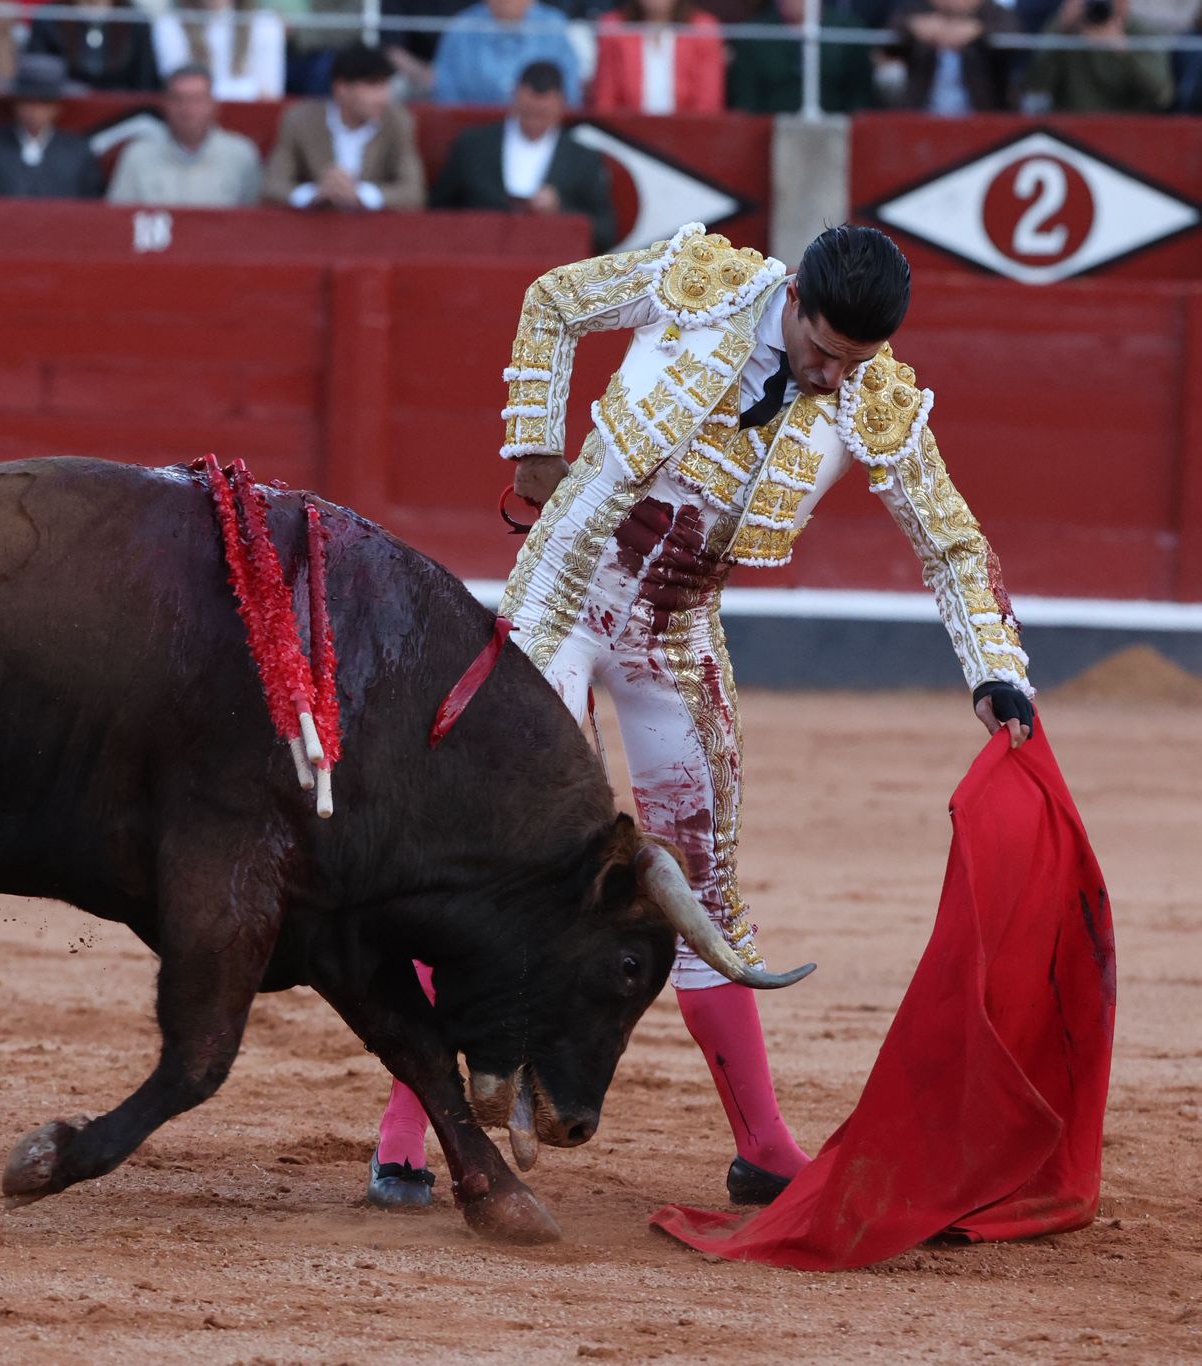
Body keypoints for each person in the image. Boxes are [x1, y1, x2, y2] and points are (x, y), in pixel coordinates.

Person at [363, 223, 1036, 1212]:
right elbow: (553, 301)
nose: (827, 378)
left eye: (850, 365)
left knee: (703, 891)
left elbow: (950, 545)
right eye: (819, 352)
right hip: (561, 592)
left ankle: (762, 1145)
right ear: (797, 296)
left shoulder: (874, 399)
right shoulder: (698, 282)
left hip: (673, 634)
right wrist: (535, 452)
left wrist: (994, 672)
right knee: (491, 857)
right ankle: (406, 1134)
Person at [430, 61, 615, 253]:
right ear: (514, 99)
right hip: (479, 257)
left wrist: (560, 210)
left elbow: (605, 233)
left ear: (560, 106)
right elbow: (438, 214)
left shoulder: (583, 159)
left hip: (551, 267)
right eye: (527, 112)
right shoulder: (473, 146)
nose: (533, 122)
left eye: (543, 114)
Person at [262, 43, 426, 211]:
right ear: (342, 89)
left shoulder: (398, 122)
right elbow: (272, 186)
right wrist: (315, 193)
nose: (383, 97)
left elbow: (413, 193)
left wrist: (360, 194)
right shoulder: (300, 120)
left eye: (385, 85)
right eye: (373, 85)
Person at [107, 64, 263, 207]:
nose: (186, 109)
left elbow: (253, 223)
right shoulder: (137, 155)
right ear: (165, 104)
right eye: (178, 99)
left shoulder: (241, 154)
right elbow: (119, 221)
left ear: (213, 105)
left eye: (196, 100)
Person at [0, 54, 105, 199]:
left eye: (43, 102)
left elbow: (91, 205)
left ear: (56, 107)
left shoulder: (78, 152)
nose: (35, 110)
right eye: (28, 101)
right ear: (15, 104)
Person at [725, 0, 876, 112]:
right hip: (766, 136)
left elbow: (861, 100)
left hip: (837, 135)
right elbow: (745, 102)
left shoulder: (848, 31)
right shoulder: (754, 34)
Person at [1023, 0, 1174, 110]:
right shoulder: (1065, 29)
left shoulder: (1142, 35)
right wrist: (1061, 32)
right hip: (1071, 127)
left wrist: (1124, 52)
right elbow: (1035, 89)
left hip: (1128, 130)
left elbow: (1162, 96)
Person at [429, 0, 582, 106]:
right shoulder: (462, 27)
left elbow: (570, 94)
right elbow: (446, 94)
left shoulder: (553, 26)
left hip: (539, 133)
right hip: (474, 134)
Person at [588, 0, 726, 113]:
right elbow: (605, 101)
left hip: (688, 135)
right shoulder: (614, 26)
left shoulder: (703, 28)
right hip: (627, 135)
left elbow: (708, 104)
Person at [877, 0, 1015, 112]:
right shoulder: (916, 10)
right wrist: (913, 26)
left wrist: (979, 30)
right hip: (922, 115)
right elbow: (887, 39)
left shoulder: (992, 13)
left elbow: (1015, 34)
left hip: (980, 115)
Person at [152, 0, 288, 100]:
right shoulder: (168, 24)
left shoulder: (265, 23)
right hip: (194, 133)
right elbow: (181, 94)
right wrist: (248, 89)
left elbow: (270, 97)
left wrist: (204, 93)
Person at [26, 0, 163, 92]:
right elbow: (36, 82)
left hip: (124, 120)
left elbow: (146, 85)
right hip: (61, 118)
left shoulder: (135, 21)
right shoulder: (49, 18)